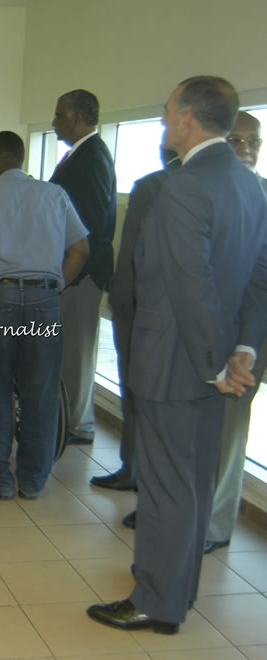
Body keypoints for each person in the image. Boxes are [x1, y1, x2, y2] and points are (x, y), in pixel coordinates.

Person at [87, 76, 267, 634]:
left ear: (190, 118)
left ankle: (156, 601)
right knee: (191, 486)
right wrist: (243, 352)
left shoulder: (183, 186)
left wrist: (218, 363)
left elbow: (191, 286)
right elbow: (259, 278)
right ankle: (179, 591)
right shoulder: (250, 184)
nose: (163, 123)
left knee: (166, 491)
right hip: (220, 365)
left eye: (167, 114)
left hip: (177, 366)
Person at [0, 131, 88, 500]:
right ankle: (33, 481)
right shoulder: (54, 194)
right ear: (20, 158)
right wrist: (54, 287)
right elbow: (80, 249)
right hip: (44, 300)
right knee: (40, 393)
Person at [91, 147, 180, 499]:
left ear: (162, 153)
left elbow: (131, 250)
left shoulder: (153, 186)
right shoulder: (239, 186)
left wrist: (119, 301)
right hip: (193, 318)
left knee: (138, 392)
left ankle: (134, 469)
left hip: (144, 311)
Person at [205, 110, 267, 554]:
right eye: (237, 140)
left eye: (254, 141)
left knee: (229, 435)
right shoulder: (203, 193)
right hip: (198, 335)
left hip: (248, 339)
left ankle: (213, 527)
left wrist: (249, 345)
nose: (246, 149)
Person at [49, 89, 117, 446]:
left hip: (81, 271)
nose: (54, 122)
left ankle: (76, 424)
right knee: (70, 348)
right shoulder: (80, 155)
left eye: (59, 115)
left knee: (76, 348)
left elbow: (86, 226)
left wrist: (66, 273)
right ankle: (69, 417)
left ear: (77, 117)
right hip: (72, 268)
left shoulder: (91, 159)